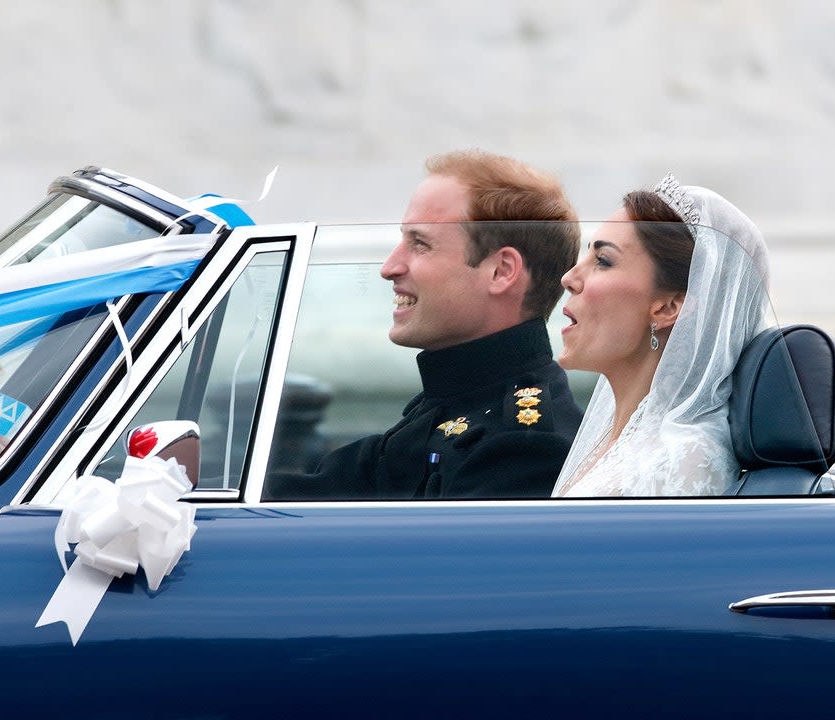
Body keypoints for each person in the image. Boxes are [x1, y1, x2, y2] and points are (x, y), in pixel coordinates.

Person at [265, 149, 585, 500]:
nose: (389, 267)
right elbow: (317, 492)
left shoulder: (522, 447)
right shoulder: (452, 399)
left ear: (502, 271)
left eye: (420, 244)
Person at [552, 173, 771, 497]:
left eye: (603, 260)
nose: (569, 278)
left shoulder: (681, 460)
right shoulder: (618, 438)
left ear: (669, 306)